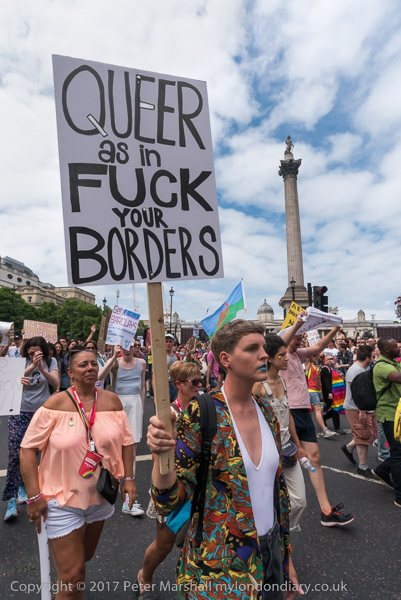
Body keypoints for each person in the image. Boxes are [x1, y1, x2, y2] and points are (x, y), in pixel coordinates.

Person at [148, 320, 300, 600]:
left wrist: (285, 558)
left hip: (270, 553)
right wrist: (162, 454)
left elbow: (277, 493)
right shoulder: (202, 412)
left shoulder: (266, 411)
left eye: (263, 348)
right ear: (226, 359)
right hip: (220, 562)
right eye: (252, 349)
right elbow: (169, 501)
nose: (264, 355)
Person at [20, 346, 135, 599]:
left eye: (93, 363)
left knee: (83, 560)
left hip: (100, 497)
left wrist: (128, 478)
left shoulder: (112, 401)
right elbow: (27, 450)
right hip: (60, 500)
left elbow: (127, 442)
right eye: (83, 365)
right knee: (73, 576)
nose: (90, 368)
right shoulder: (55, 404)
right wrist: (34, 496)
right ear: (70, 373)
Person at [280, 317, 354, 527]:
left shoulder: (298, 354)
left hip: (304, 411)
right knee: (285, 462)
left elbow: (319, 346)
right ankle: (280, 512)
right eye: (298, 336)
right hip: (288, 412)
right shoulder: (280, 354)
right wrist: (297, 324)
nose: (301, 339)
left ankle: (326, 510)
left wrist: (336, 328)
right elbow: (281, 344)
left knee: (315, 458)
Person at [138, 362, 203, 597]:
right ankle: (145, 574)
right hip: (174, 488)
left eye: (201, 380)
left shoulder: (204, 408)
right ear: (179, 385)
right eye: (194, 382)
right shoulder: (169, 415)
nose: (200, 385)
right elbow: (159, 459)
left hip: (202, 486)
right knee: (164, 545)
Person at [253, 335, 307, 533]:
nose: (286, 358)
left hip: (287, 449)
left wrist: (298, 445)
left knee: (299, 501)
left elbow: (288, 415)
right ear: (269, 358)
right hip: (267, 453)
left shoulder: (282, 382)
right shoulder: (258, 386)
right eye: (281, 355)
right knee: (268, 502)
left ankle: (282, 533)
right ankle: (273, 539)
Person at [3, 336, 59, 521]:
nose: (34, 355)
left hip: (42, 414)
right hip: (19, 412)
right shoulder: (20, 361)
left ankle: (37, 491)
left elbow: (55, 382)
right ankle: (12, 500)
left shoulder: (51, 362)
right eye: (31, 352)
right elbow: (8, 382)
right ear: (27, 350)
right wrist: (28, 369)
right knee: (15, 455)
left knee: (41, 454)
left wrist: (41, 367)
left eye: (38, 353)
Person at [99, 343, 146, 516]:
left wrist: (141, 407)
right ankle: (109, 487)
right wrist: (113, 357)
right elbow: (99, 377)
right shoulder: (114, 362)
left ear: (135, 347)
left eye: (131, 346)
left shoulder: (141, 363)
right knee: (112, 449)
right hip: (116, 406)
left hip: (134, 406)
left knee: (131, 450)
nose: (128, 349)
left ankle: (128, 499)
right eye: (125, 346)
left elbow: (142, 387)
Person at [373, 338, 401, 508]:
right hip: (389, 415)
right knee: (398, 454)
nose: (398, 347)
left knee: (399, 452)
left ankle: (382, 470)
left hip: (397, 413)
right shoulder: (382, 366)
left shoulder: (394, 362)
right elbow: (398, 377)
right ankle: (399, 496)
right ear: (385, 349)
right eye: (395, 346)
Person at [342, 345, 378, 478]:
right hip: (355, 408)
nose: (373, 359)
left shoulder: (360, 369)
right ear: (367, 358)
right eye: (372, 357)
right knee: (362, 436)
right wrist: (362, 409)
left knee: (364, 434)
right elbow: (356, 393)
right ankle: (363, 467)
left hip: (358, 407)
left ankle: (349, 447)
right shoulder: (356, 370)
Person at [305, 354, 336, 439]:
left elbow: (320, 354)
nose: (316, 358)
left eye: (317, 356)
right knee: (318, 409)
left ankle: (305, 428)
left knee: (310, 411)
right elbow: (308, 354)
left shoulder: (318, 367)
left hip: (318, 390)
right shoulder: (309, 365)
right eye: (314, 356)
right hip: (312, 390)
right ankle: (325, 430)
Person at [320, 355, 346, 434]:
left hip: (339, 393)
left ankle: (324, 418)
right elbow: (326, 382)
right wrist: (329, 392)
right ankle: (337, 427)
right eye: (330, 359)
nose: (333, 360)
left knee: (335, 409)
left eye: (333, 358)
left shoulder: (335, 368)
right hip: (333, 393)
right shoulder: (325, 368)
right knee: (335, 409)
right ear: (326, 361)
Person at [166, 333, 179, 402]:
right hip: (164, 383)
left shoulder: (175, 357)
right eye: (166, 341)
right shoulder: (160, 356)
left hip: (173, 384)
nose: (168, 343)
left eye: (170, 342)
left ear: (173, 343)